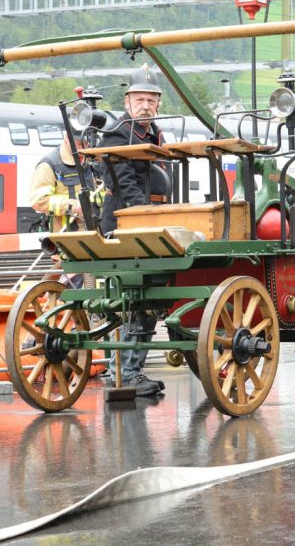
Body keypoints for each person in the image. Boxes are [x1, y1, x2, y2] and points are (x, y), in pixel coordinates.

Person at [99, 64, 173, 396]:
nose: (146, 106)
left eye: (151, 100)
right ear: (127, 101)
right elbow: (124, 184)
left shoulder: (155, 133)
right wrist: (144, 216)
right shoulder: (117, 134)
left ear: (158, 103)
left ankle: (126, 370)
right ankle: (127, 372)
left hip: (150, 219)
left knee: (147, 297)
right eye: (140, 100)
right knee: (137, 298)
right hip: (127, 223)